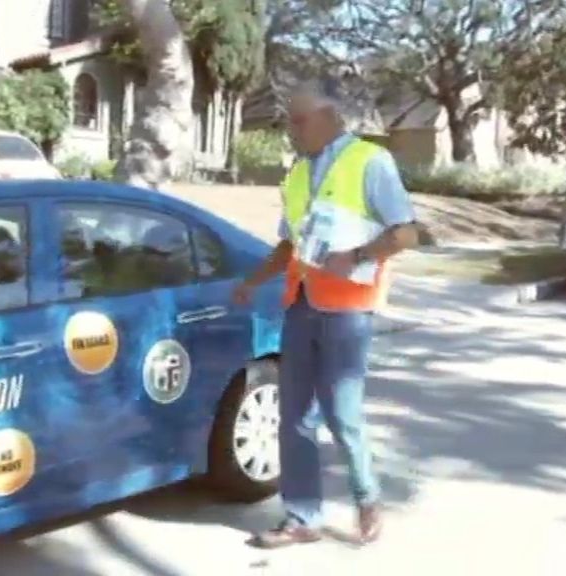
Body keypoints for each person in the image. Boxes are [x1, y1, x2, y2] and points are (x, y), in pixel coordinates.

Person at [234, 74, 419, 548]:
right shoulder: (297, 173)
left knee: (341, 412)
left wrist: (356, 256)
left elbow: (405, 233)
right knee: (293, 416)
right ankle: (301, 517)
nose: (292, 130)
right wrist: (252, 281)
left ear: (329, 117)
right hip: (300, 304)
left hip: (348, 311)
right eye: (289, 122)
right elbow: (288, 243)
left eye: (298, 121)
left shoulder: (369, 161)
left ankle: (367, 495)